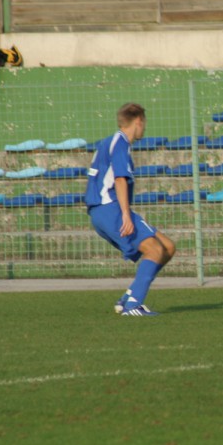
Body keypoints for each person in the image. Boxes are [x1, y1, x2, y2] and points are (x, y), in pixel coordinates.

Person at [85, 103, 176, 316]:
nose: (144, 128)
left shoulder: (109, 142)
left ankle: (128, 298)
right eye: (144, 123)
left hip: (104, 210)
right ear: (138, 121)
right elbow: (119, 179)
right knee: (154, 250)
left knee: (167, 247)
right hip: (111, 210)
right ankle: (133, 305)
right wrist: (125, 214)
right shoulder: (120, 143)